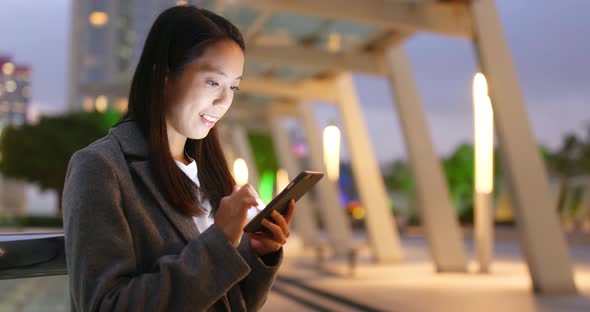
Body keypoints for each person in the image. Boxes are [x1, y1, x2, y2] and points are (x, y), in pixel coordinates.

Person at [62, 5, 294, 311]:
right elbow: (106, 304)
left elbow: (228, 303)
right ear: (164, 76)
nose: (224, 101)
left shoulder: (208, 174)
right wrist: (220, 241)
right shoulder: (100, 168)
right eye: (213, 82)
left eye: (233, 87)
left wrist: (260, 253)